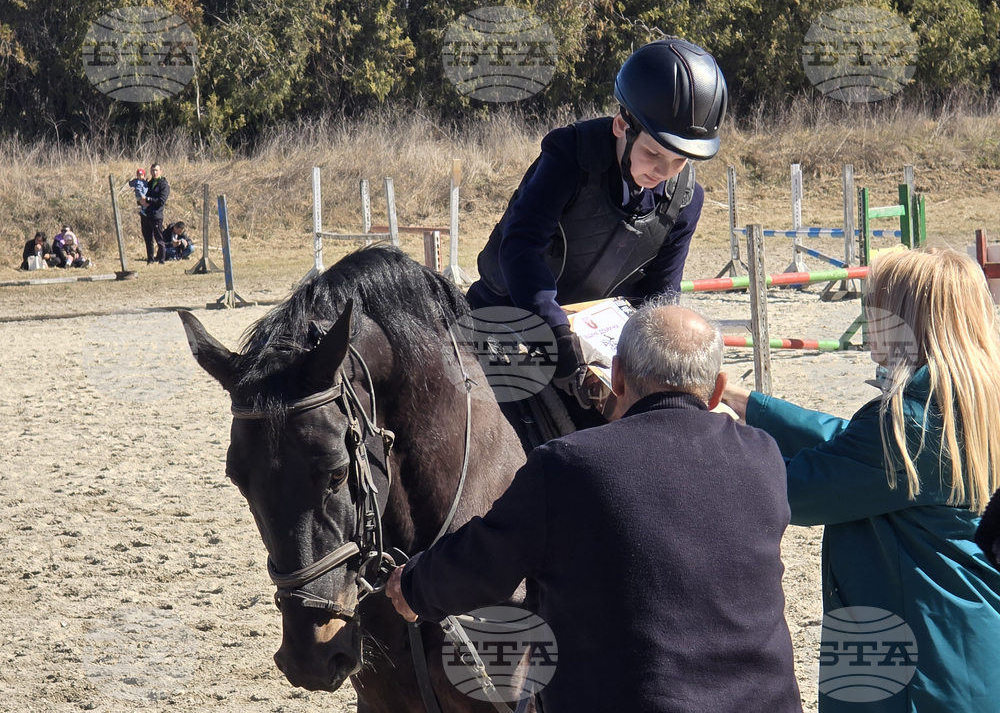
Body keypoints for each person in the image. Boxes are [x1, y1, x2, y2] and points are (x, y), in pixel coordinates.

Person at [386, 301, 802, 713]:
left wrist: (413, 588)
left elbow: (484, 561)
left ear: (616, 375)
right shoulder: (763, 456)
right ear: (716, 389)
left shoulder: (569, 464)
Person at [721, 248, 1000, 712]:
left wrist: (701, 434)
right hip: (963, 646)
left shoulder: (904, 422)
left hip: (911, 668)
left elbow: (799, 490)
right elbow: (855, 449)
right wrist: (742, 399)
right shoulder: (964, 399)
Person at [468, 37, 727, 408]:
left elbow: (661, 295)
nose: (663, 171)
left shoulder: (686, 200)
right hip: (508, 318)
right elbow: (521, 249)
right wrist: (557, 335)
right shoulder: (567, 157)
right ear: (622, 125)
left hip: (599, 342)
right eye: (653, 153)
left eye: (678, 161)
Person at [140, 163, 170, 264]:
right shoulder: (148, 183)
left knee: (159, 239)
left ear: (160, 172)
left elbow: (161, 201)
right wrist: (140, 201)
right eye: (153, 170)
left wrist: (148, 199)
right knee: (148, 239)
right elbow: (141, 195)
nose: (154, 172)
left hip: (156, 215)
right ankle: (150, 259)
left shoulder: (163, 184)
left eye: (156, 170)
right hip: (145, 215)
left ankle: (161, 259)